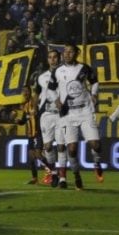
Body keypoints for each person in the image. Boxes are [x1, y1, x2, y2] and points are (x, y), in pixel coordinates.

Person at [48, 44, 104, 190]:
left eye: (70, 51)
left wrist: (94, 94)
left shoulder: (84, 68)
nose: (67, 54)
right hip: (67, 114)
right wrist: (57, 101)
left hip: (85, 111)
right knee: (71, 149)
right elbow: (51, 90)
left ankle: (97, 163)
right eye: (65, 52)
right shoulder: (57, 71)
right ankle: (77, 176)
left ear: (77, 53)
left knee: (96, 145)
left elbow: (95, 82)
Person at [35, 49, 61, 187]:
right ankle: (54, 171)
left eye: (55, 57)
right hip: (47, 114)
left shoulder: (65, 74)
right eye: (50, 57)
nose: (53, 60)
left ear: (59, 58)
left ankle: (62, 177)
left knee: (63, 146)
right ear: (47, 60)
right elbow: (37, 94)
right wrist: (35, 110)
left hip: (63, 114)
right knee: (48, 147)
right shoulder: (41, 77)